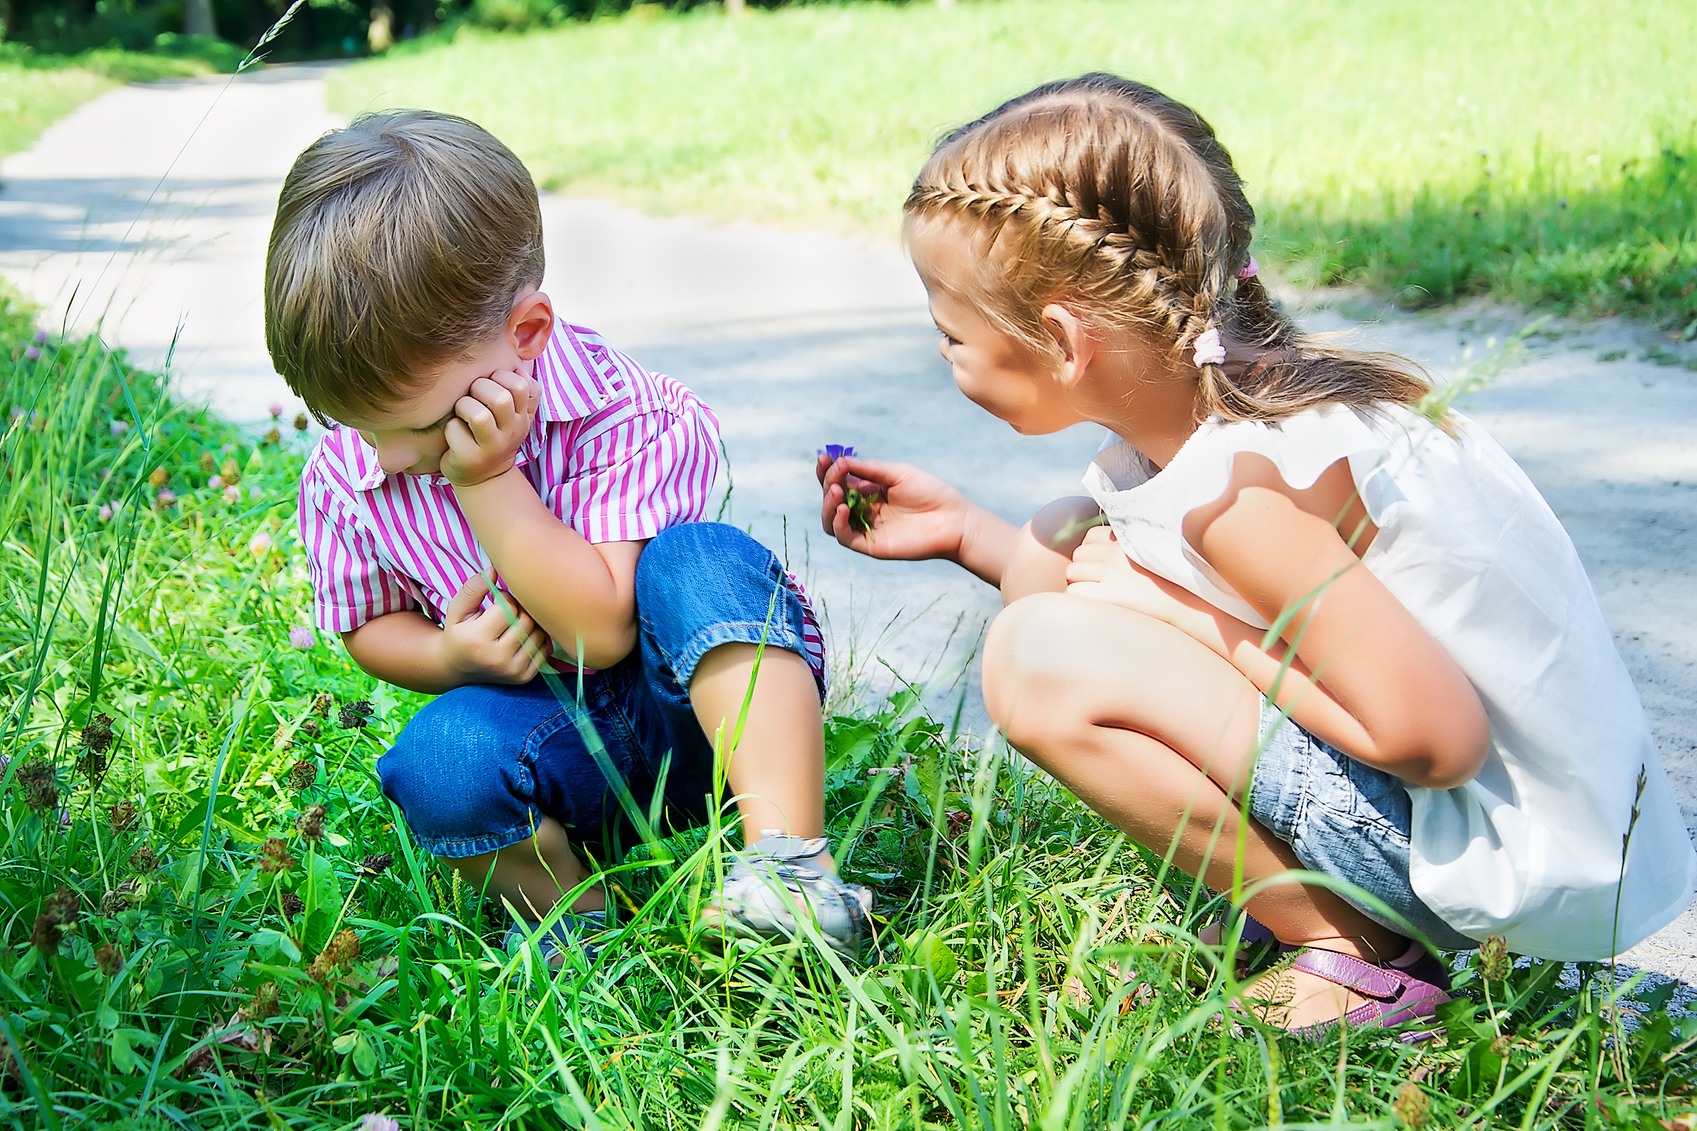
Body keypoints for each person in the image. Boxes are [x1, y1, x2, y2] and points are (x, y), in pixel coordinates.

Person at [817, 74, 1694, 1034]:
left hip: (1497, 862)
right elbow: (1102, 565)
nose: (942, 354)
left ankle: (1355, 954)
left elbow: (1433, 741)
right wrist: (972, 536)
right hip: (1487, 829)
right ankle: (1304, 908)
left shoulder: (1244, 495)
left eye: (951, 333)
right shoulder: (1239, 408)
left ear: (1064, 340)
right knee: (1063, 533)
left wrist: (1177, 613)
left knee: (1035, 659)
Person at [264, 109, 871, 960]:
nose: (390, 458)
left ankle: (790, 870)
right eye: (352, 424)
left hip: (693, 726)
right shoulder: (349, 467)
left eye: (423, 426)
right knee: (436, 757)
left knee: (701, 562)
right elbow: (367, 623)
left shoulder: (629, 414)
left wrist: (483, 480)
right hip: (546, 741)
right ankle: (572, 923)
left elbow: (598, 629)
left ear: (526, 337)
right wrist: (446, 660)